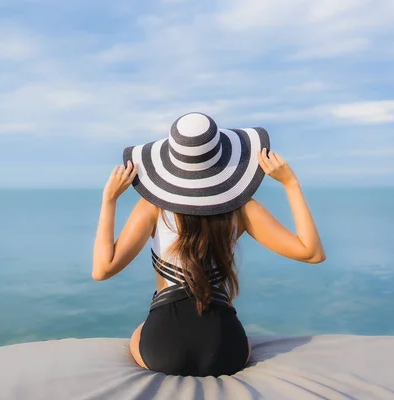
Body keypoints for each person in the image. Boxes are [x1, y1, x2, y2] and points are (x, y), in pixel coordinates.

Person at [92, 112, 325, 377]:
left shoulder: (151, 208)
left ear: (172, 162)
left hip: (164, 348)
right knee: (240, 336)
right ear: (223, 158)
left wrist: (109, 199)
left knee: (139, 331)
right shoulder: (243, 210)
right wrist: (291, 184)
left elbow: (103, 269)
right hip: (226, 349)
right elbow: (312, 253)